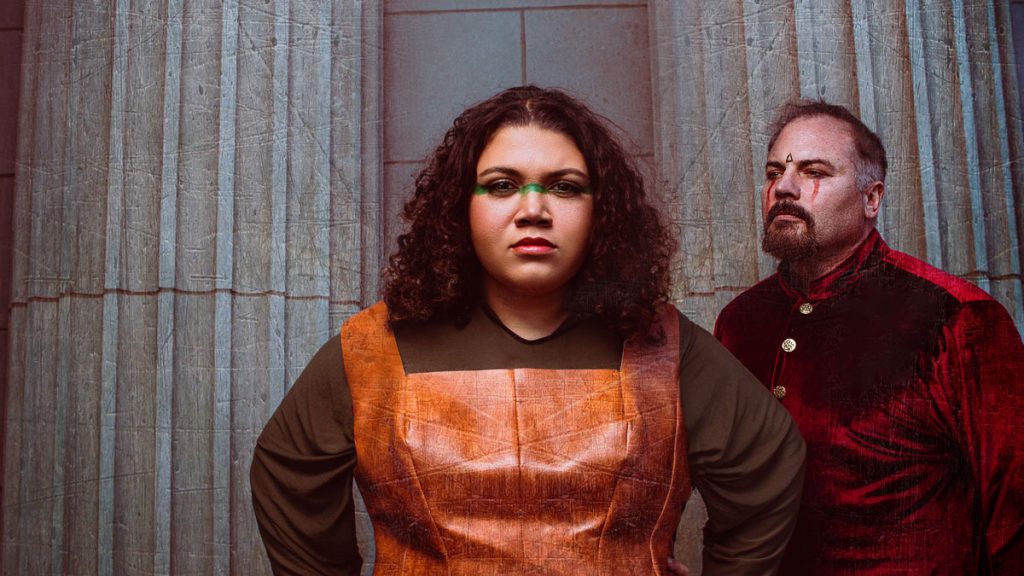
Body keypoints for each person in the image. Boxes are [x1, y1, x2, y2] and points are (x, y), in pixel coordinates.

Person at [251, 86, 805, 575]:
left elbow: (770, 464)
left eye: (564, 187)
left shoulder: (663, 345)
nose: (533, 209)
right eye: (500, 186)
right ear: (458, 207)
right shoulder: (373, 347)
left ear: (601, 210)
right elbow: (286, 473)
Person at [714, 100, 1024, 574]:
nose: (784, 187)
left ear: (871, 199)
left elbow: (1014, 512)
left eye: (814, 171)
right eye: (774, 171)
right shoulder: (738, 322)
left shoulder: (957, 317)